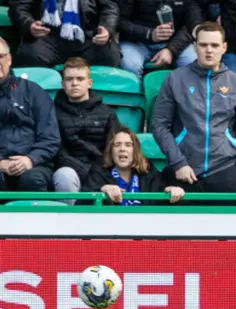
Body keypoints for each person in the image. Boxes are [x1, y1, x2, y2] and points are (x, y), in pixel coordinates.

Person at [152, 22, 236, 203]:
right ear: (194, 47)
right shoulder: (175, 79)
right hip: (184, 171)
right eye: (203, 45)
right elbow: (160, 126)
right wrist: (178, 163)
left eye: (214, 45)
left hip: (225, 169)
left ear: (224, 48)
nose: (209, 50)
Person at [53, 57, 119, 204]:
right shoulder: (53, 112)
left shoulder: (107, 113)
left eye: (80, 78)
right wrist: (83, 170)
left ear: (89, 83)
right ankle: (68, 224)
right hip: (70, 168)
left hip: (101, 169)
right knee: (64, 175)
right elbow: (57, 150)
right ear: (63, 84)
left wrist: (97, 171)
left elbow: (113, 146)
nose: (74, 83)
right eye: (69, 79)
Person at [0, 37, 60, 193]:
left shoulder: (34, 92)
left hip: (34, 165)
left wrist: (30, 159)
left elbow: (50, 138)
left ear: (9, 59)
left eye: (0, 56)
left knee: (33, 180)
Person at [82, 126, 185, 205]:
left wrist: (173, 192)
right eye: (117, 145)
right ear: (111, 151)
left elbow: (162, 200)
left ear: (135, 151)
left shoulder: (149, 174)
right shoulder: (98, 173)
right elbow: (81, 204)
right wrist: (101, 191)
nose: (122, 149)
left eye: (128, 145)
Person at [9, 0, 120, 67]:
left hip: (87, 37)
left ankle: (94, 102)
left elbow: (110, 7)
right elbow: (19, 7)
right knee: (29, 53)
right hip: (48, 38)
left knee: (109, 54)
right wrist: (29, 25)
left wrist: (107, 28)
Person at [118, 0, 201, 80]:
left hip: (176, 43)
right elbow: (119, 20)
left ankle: (185, 93)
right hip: (136, 43)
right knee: (130, 64)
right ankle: (138, 92)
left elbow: (193, 24)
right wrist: (149, 34)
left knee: (193, 61)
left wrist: (171, 49)